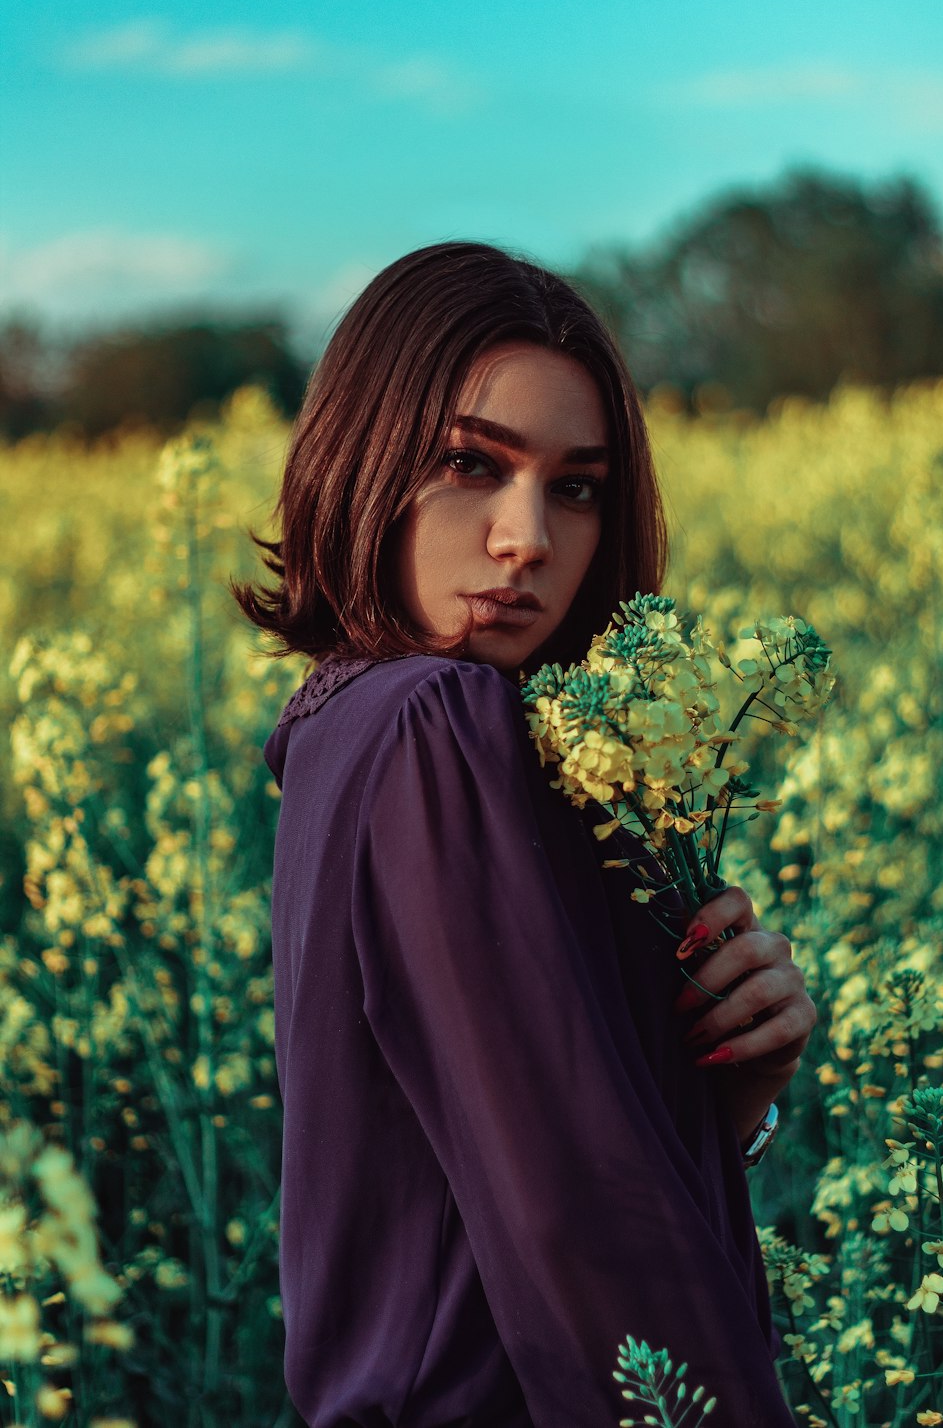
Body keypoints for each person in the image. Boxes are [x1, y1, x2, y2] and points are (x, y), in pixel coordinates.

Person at [233, 241, 815, 1428]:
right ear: (361, 456)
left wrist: (729, 1101)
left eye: (577, 486)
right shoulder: (434, 722)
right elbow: (580, 1216)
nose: (526, 539)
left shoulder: (339, 724)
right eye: (468, 464)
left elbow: (465, 1168)